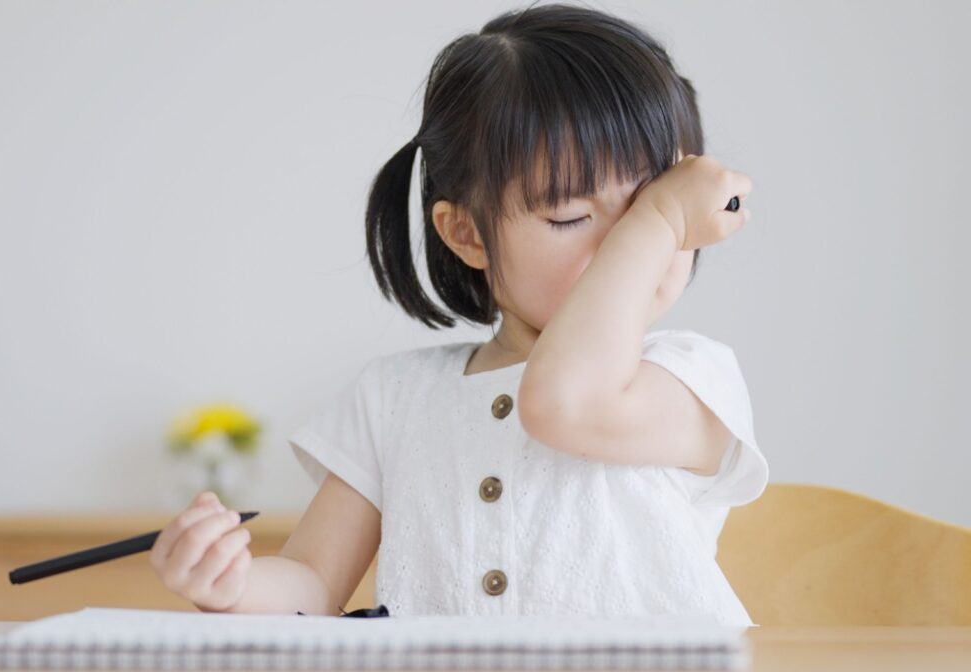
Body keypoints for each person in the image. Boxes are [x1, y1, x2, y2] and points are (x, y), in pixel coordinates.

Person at [149, 1, 768, 626]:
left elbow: (568, 402)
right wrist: (233, 583)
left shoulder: (693, 379)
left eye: (650, 207)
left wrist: (661, 224)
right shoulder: (394, 397)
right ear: (467, 233)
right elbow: (312, 584)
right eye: (569, 218)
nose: (623, 245)